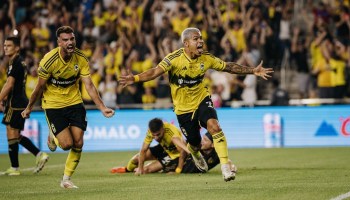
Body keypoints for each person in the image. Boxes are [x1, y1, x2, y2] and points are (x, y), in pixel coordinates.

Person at [119, 27, 274, 182]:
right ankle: (194, 152)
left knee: (215, 127)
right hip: (183, 110)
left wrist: (252, 70)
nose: (200, 41)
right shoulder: (174, 58)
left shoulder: (206, 58)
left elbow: (229, 66)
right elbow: (154, 72)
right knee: (194, 143)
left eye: (201, 38)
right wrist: (135, 79)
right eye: (196, 39)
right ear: (186, 43)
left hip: (201, 100)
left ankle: (225, 167)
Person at [21, 26, 115, 188]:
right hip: (53, 105)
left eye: (72, 39)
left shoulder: (81, 58)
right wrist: (29, 107)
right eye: (65, 40)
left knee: (78, 142)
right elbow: (38, 88)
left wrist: (102, 107)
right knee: (66, 145)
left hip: (75, 103)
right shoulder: (48, 61)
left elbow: (89, 86)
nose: (70, 42)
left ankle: (66, 179)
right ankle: (53, 135)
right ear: (59, 42)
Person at [0, 36, 49, 176]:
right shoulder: (19, 62)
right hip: (20, 102)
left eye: (9, 45)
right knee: (16, 134)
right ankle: (39, 154)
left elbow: (9, 84)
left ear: (17, 48)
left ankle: (15, 168)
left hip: (15, 103)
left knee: (11, 132)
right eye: (4, 45)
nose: (5, 48)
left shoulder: (15, 63)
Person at [112, 132, 237, 174]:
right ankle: (126, 169)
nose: (202, 141)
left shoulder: (216, 154)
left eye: (206, 140)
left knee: (147, 170)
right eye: (203, 138)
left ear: (213, 144)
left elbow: (227, 161)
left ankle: (134, 170)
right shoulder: (195, 143)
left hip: (175, 161)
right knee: (138, 159)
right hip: (172, 155)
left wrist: (232, 168)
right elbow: (179, 143)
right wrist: (179, 167)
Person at [110, 118, 190, 175]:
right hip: (163, 148)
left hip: (174, 154)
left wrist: (178, 170)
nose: (156, 138)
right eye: (153, 135)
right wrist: (140, 168)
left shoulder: (172, 132)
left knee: (146, 170)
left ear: (163, 128)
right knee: (136, 159)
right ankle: (126, 169)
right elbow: (143, 150)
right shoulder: (151, 131)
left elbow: (182, 152)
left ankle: (161, 167)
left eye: (158, 134)